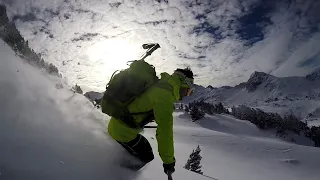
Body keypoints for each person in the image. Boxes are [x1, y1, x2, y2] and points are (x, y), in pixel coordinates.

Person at [107, 67, 194, 175]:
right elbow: (165, 133)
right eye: (189, 90)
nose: (187, 94)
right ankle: (115, 174)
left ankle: (116, 167)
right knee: (146, 155)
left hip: (117, 126)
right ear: (183, 83)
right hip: (122, 132)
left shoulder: (161, 84)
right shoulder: (164, 97)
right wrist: (168, 161)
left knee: (141, 149)